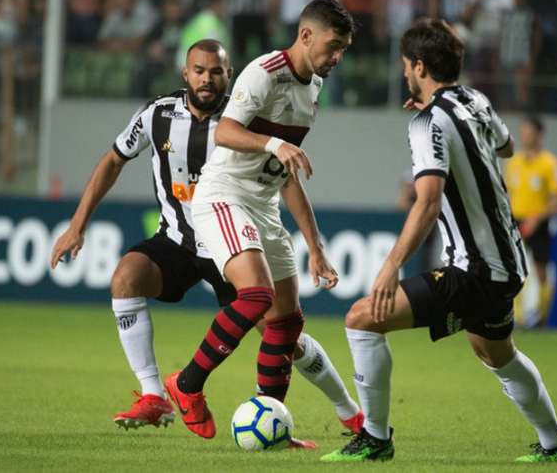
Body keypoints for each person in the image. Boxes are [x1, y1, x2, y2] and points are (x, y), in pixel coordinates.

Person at [49, 39, 362, 436]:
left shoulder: (244, 119)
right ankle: (154, 395)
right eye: (199, 70)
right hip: (177, 240)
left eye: (216, 71)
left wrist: (315, 246)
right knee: (126, 278)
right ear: (185, 74)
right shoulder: (157, 114)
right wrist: (77, 225)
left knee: (285, 337)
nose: (207, 79)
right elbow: (114, 158)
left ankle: (348, 409)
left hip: (228, 241)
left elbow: (285, 181)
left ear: (228, 76)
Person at [321, 20, 557, 463]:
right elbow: (508, 147)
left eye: (407, 66)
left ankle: (376, 439)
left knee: (362, 318)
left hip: (474, 268)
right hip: (508, 263)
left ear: (420, 66)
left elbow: (427, 203)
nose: (405, 73)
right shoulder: (475, 99)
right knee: (496, 353)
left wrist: (388, 268)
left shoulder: (428, 122)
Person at [165, 0, 357, 445]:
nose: (337, 57)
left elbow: (286, 172)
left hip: (264, 205)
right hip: (224, 195)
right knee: (255, 296)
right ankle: (187, 384)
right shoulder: (264, 72)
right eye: (333, 46)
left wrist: (316, 246)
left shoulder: (313, 90)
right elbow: (226, 131)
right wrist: (273, 144)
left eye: (344, 49)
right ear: (306, 36)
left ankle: (273, 422)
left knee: (287, 323)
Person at [504, 115, 557, 327]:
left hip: (538, 221)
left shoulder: (550, 163)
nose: (524, 136)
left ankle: (541, 318)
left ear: (539, 134)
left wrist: (538, 218)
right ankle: (516, 318)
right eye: (522, 132)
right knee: (513, 271)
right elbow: (506, 194)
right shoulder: (514, 162)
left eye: (528, 132)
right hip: (516, 221)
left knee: (541, 271)